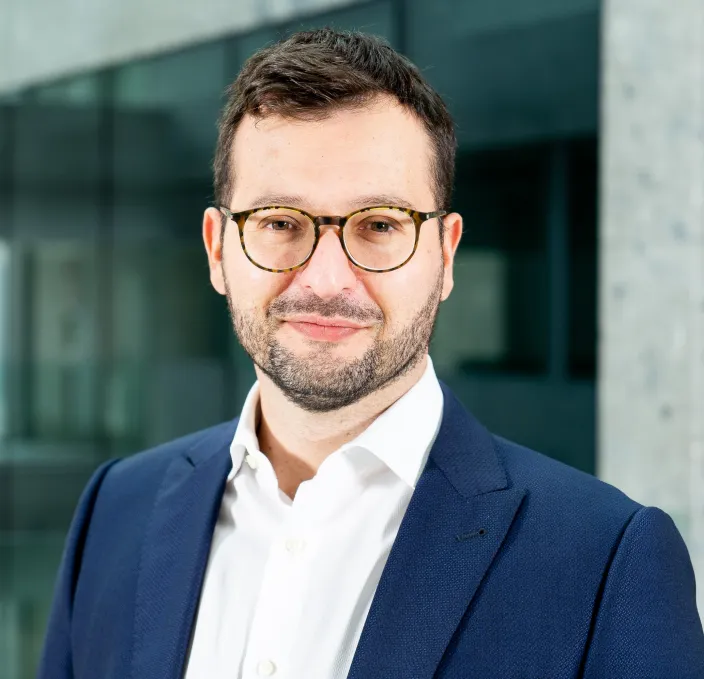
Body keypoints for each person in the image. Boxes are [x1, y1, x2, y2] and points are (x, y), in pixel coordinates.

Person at [38, 28, 704, 679]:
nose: (326, 279)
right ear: (218, 250)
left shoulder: (608, 563)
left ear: (445, 255)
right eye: (279, 222)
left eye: (380, 224)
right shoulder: (115, 510)